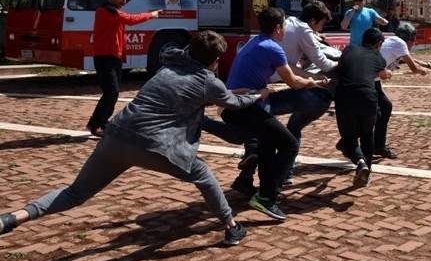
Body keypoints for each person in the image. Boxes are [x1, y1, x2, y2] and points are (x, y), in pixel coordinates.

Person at [0, 31, 265, 246]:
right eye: (218, 59)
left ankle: (14, 217)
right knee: (204, 175)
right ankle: (232, 227)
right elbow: (234, 102)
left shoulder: (169, 67)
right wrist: (258, 94)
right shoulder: (207, 80)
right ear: (214, 60)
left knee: (75, 192)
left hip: (116, 135)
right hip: (155, 147)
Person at [221, 8, 326, 220]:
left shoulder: (256, 41)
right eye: (285, 25)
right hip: (244, 108)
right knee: (289, 144)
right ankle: (267, 197)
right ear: (278, 28)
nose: (286, 28)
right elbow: (293, 82)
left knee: (267, 146)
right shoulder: (273, 48)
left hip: (237, 106)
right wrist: (314, 82)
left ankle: (258, 190)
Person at [86, 0, 160, 137]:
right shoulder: (107, 11)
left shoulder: (112, 10)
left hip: (113, 57)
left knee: (113, 92)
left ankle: (101, 123)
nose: (124, 1)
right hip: (105, 57)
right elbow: (131, 20)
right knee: (111, 92)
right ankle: (96, 124)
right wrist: (151, 14)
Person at [332, 28, 393, 187]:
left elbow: (341, 66)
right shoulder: (377, 56)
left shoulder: (349, 49)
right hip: (368, 98)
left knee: (349, 138)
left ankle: (361, 163)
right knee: (367, 134)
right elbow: (383, 74)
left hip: (344, 96)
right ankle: (367, 171)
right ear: (379, 44)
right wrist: (387, 74)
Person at [373, 22, 431, 159]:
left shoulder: (393, 40)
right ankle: (372, 145)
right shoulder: (400, 44)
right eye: (414, 40)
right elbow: (413, 68)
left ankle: (377, 145)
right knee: (380, 109)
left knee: (383, 108)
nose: (413, 44)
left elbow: (406, 59)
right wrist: (423, 71)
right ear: (411, 39)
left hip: (372, 79)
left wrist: (429, 65)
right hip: (368, 80)